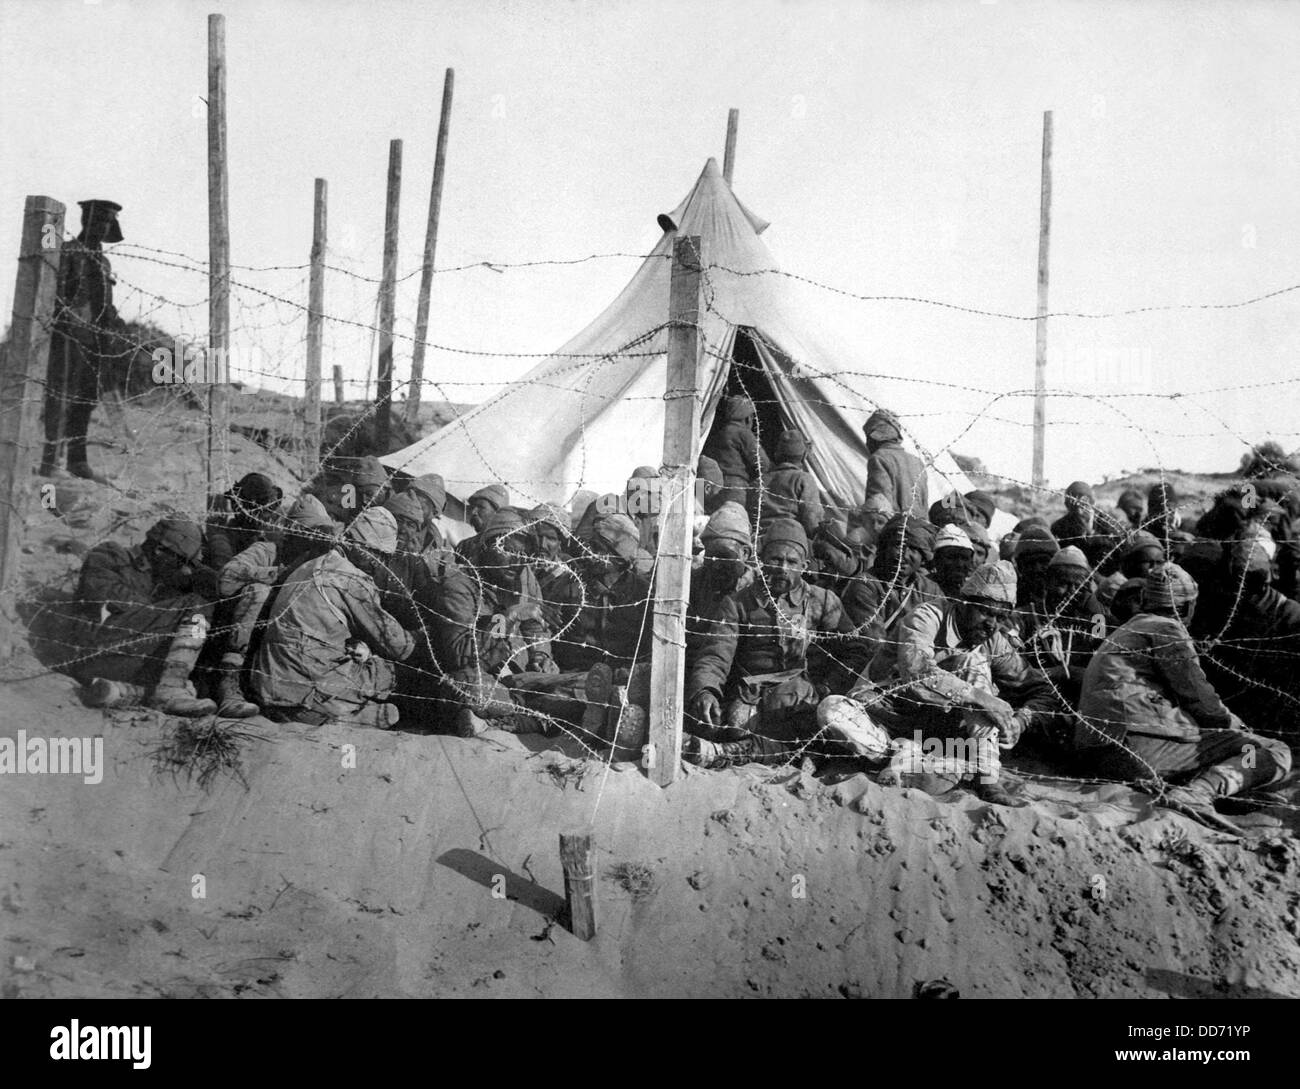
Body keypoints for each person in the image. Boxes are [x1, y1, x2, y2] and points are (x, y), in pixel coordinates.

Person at [1075, 562, 1292, 831]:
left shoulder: (1128, 630)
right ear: (1188, 607)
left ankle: (1217, 787)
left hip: (1098, 751)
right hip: (1137, 746)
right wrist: (1236, 727)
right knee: (1269, 750)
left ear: (1145, 598)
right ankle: (1199, 792)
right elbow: (1199, 697)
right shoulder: (1167, 629)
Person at [835, 560, 1059, 807]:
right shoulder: (926, 618)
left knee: (972, 661)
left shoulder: (994, 640)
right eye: (985, 611)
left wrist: (1021, 721)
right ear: (962, 603)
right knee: (832, 710)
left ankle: (985, 774)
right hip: (886, 712)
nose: (991, 623)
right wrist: (982, 698)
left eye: (1001, 616)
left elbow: (1040, 688)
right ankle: (912, 758)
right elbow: (917, 672)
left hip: (937, 727)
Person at [682, 518, 857, 767]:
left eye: (791, 562)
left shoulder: (823, 601)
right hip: (747, 694)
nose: (782, 568)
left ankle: (732, 753)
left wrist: (827, 687)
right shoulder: (737, 603)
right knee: (723, 720)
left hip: (800, 697)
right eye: (775, 559)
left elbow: (855, 649)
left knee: (814, 724)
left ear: (804, 566)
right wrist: (706, 689)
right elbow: (716, 654)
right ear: (761, 560)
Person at [249, 508, 414, 728]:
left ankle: (332, 712)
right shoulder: (352, 578)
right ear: (360, 546)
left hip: (266, 684)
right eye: (378, 555)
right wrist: (421, 637)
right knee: (394, 673)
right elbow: (398, 646)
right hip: (305, 688)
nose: (378, 564)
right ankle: (341, 715)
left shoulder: (310, 565)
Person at [65, 516, 219, 716]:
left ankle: (127, 693)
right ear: (159, 550)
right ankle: (168, 689)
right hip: (92, 651)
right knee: (196, 605)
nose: (185, 569)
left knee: (195, 674)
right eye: (182, 561)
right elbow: (105, 597)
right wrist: (166, 609)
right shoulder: (112, 555)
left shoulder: (161, 580)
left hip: (120, 658)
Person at [430, 508, 560, 736]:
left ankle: (524, 713)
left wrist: (541, 654)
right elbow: (461, 653)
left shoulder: (522, 578)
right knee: (473, 690)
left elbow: (536, 625)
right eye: (508, 551)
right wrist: (508, 618)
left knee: (583, 685)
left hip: (519, 676)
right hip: (480, 676)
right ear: (487, 545)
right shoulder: (459, 585)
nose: (515, 562)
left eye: (524, 557)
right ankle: (535, 715)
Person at [217, 494, 340, 717]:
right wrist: (279, 574)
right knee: (259, 592)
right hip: (235, 631)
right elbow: (225, 579)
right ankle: (229, 682)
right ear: (293, 534)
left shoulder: (320, 564)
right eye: (307, 536)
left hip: (279, 650)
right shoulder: (268, 551)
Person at [40, 199, 128, 483]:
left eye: (106, 223)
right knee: (61, 397)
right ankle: (50, 461)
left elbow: (107, 303)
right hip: (68, 336)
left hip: (97, 340)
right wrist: (70, 318)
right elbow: (54, 295)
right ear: (84, 222)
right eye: (97, 221)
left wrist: (117, 328)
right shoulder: (68, 252)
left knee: (86, 400)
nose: (101, 227)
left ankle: (78, 462)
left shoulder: (103, 261)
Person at [1202, 530, 1300, 737]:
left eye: (1251, 583)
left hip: (1276, 717)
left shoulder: (1290, 615)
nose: (1242, 593)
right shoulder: (1222, 611)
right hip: (1232, 712)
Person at [844, 513, 944, 678]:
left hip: (921, 668)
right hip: (872, 671)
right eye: (898, 545)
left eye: (913, 549)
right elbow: (874, 644)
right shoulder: (865, 585)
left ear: (923, 558)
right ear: (884, 548)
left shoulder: (929, 589)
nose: (903, 556)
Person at [702, 394, 770, 518]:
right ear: (747, 419)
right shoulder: (744, 434)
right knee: (735, 522)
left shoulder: (717, 435)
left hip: (713, 488)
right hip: (736, 489)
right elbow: (763, 464)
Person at [205, 472, 284, 572]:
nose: (268, 517)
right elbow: (226, 578)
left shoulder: (264, 540)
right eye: (264, 509)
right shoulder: (223, 542)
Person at [862, 408, 928, 518]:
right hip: (920, 529)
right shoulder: (917, 461)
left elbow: (880, 504)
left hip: (895, 529)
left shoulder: (879, 458)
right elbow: (923, 504)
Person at [759, 429, 823, 536]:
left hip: (759, 541)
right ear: (803, 456)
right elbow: (811, 518)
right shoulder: (803, 479)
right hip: (790, 539)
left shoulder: (760, 481)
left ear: (777, 455)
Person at [455, 483, 510, 567]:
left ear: (497, 513)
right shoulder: (465, 546)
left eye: (481, 507)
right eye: (473, 507)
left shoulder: (509, 548)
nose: (473, 512)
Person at [931, 524, 977, 598]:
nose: (960, 564)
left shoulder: (972, 594)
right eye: (951, 557)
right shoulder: (921, 587)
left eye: (965, 558)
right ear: (936, 559)